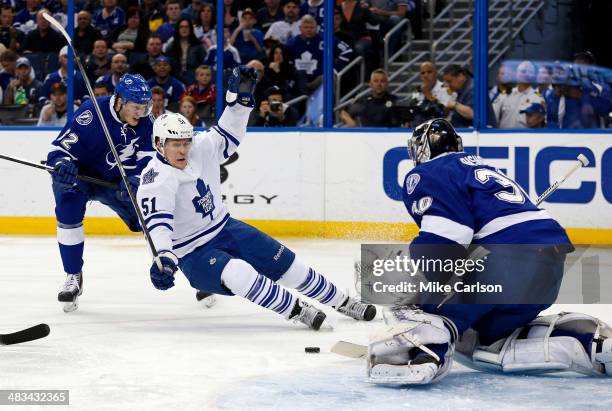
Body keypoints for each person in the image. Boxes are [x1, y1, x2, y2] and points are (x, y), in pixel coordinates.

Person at [366, 118, 612, 384]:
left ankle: (422, 353)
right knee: (491, 340)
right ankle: (587, 340)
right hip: (551, 264)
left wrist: (421, 284)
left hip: (506, 263)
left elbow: (446, 242)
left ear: (423, 148)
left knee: (420, 301)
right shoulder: (481, 165)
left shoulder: (427, 173)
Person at [137, 66, 377, 330]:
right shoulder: (155, 179)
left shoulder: (200, 146)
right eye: (175, 144)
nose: (183, 149)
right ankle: (295, 309)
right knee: (239, 274)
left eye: (185, 142)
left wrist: (238, 106)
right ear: (159, 145)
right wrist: (164, 257)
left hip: (225, 228)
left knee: (289, 265)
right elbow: (158, 225)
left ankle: (342, 301)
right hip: (192, 252)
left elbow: (227, 133)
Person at [47, 74, 154, 313]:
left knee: (148, 217)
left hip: (117, 181)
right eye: (136, 107)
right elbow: (59, 148)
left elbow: (149, 159)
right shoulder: (91, 112)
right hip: (81, 175)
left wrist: (138, 182)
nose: (142, 112)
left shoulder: (147, 121)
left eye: (145, 107)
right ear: (119, 101)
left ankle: (188, 263)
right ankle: (73, 275)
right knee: (68, 205)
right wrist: (63, 165)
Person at [497, 60, 544, 129]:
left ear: (533, 76)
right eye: (522, 71)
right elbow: (494, 117)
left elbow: (540, 124)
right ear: (516, 74)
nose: (526, 74)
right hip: (502, 137)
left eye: (530, 72)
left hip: (525, 138)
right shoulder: (505, 94)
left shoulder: (538, 98)